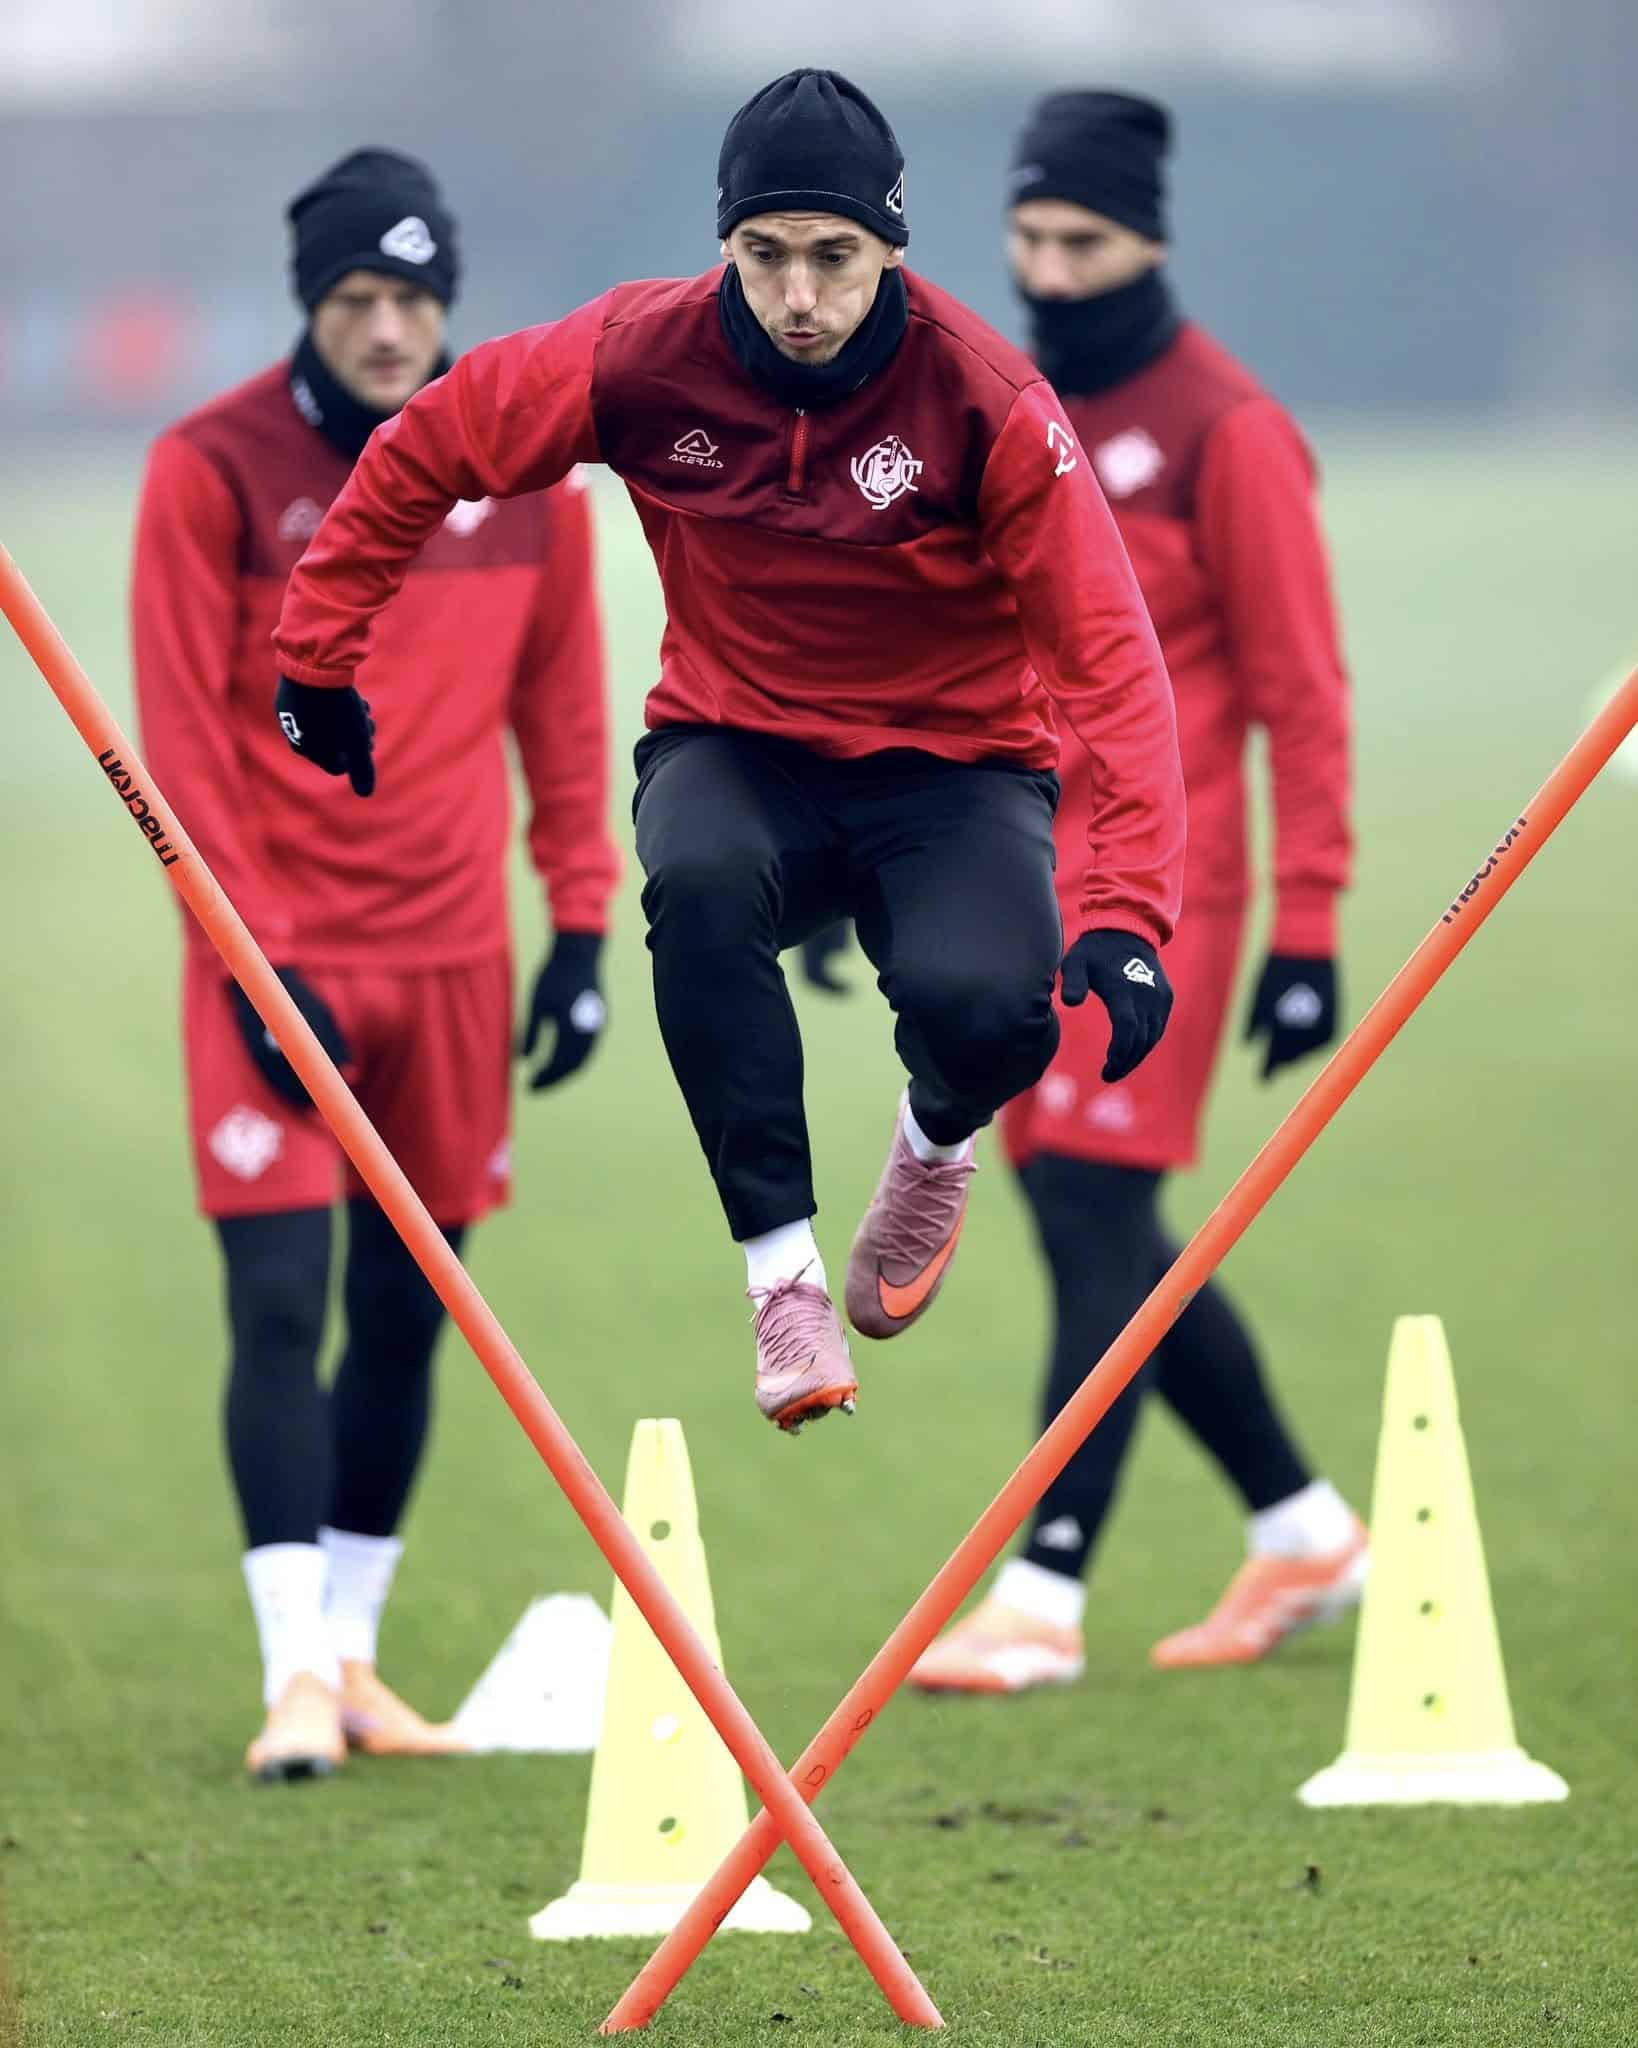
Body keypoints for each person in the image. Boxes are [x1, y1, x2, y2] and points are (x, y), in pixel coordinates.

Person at [270, 70, 1187, 1438]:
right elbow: (426, 448)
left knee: (996, 1013)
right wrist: (315, 654)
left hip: (953, 768)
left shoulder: (988, 401)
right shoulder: (637, 355)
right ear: (725, 247)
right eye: (764, 255)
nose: (797, 296)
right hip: (736, 742)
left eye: (833, 257)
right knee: (698, 883)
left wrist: (1127, 912)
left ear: (891, 249)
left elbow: (1111, 660)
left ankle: (934, 1143)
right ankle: (783, 1280)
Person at [132, 148, 620, 1780]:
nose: (388, 328)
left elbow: (564, 713)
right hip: (271, 957)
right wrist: (254, 963)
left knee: (412, 1316)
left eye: (413, 296)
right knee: (278, 1301)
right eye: (355, 296)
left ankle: (350, 1658)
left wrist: (578, 924)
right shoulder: (210, 468)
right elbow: (185, 740)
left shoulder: (529, 479)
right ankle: (288, 1677)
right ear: (310, 305)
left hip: (457, 961)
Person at [912, 92, 1366, 1694]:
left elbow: (1303, 694)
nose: (1049, 271)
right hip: (1009, 875)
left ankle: (1042, 1593)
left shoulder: (1223, 431)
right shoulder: (1006, 408)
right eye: (1028, 238)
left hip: (1167, 892)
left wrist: (1307, 923)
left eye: (1084, 242)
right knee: (1090, 1217)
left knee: (1098, 1210)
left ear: (1150, 241)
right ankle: (1301, 1530)